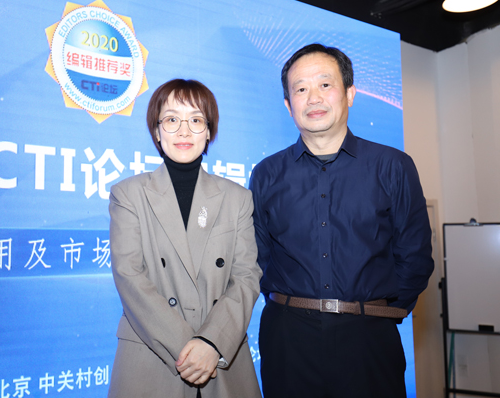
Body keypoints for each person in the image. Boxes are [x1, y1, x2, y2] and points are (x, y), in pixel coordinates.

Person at [249, 43, 434, 398]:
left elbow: (415, 257)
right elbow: (256, 258)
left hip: (369, 339)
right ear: (288, 105)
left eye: (325, 84)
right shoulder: (267, 174)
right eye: (300, 89)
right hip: (288, 341)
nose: (313, 98)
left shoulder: (392, 166)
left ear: (350, 93)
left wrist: (375, 313)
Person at [108, 79, 262, 398]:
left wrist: (211, 342)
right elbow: (129, 276)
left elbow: (247, 277)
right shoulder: (129, 194)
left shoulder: (237, 198)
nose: (183, 131)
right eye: (171, 119)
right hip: (151, 359)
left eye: (195, 120)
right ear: (156, 131)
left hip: (222, 359)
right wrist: (190, 350)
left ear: (209, 132)